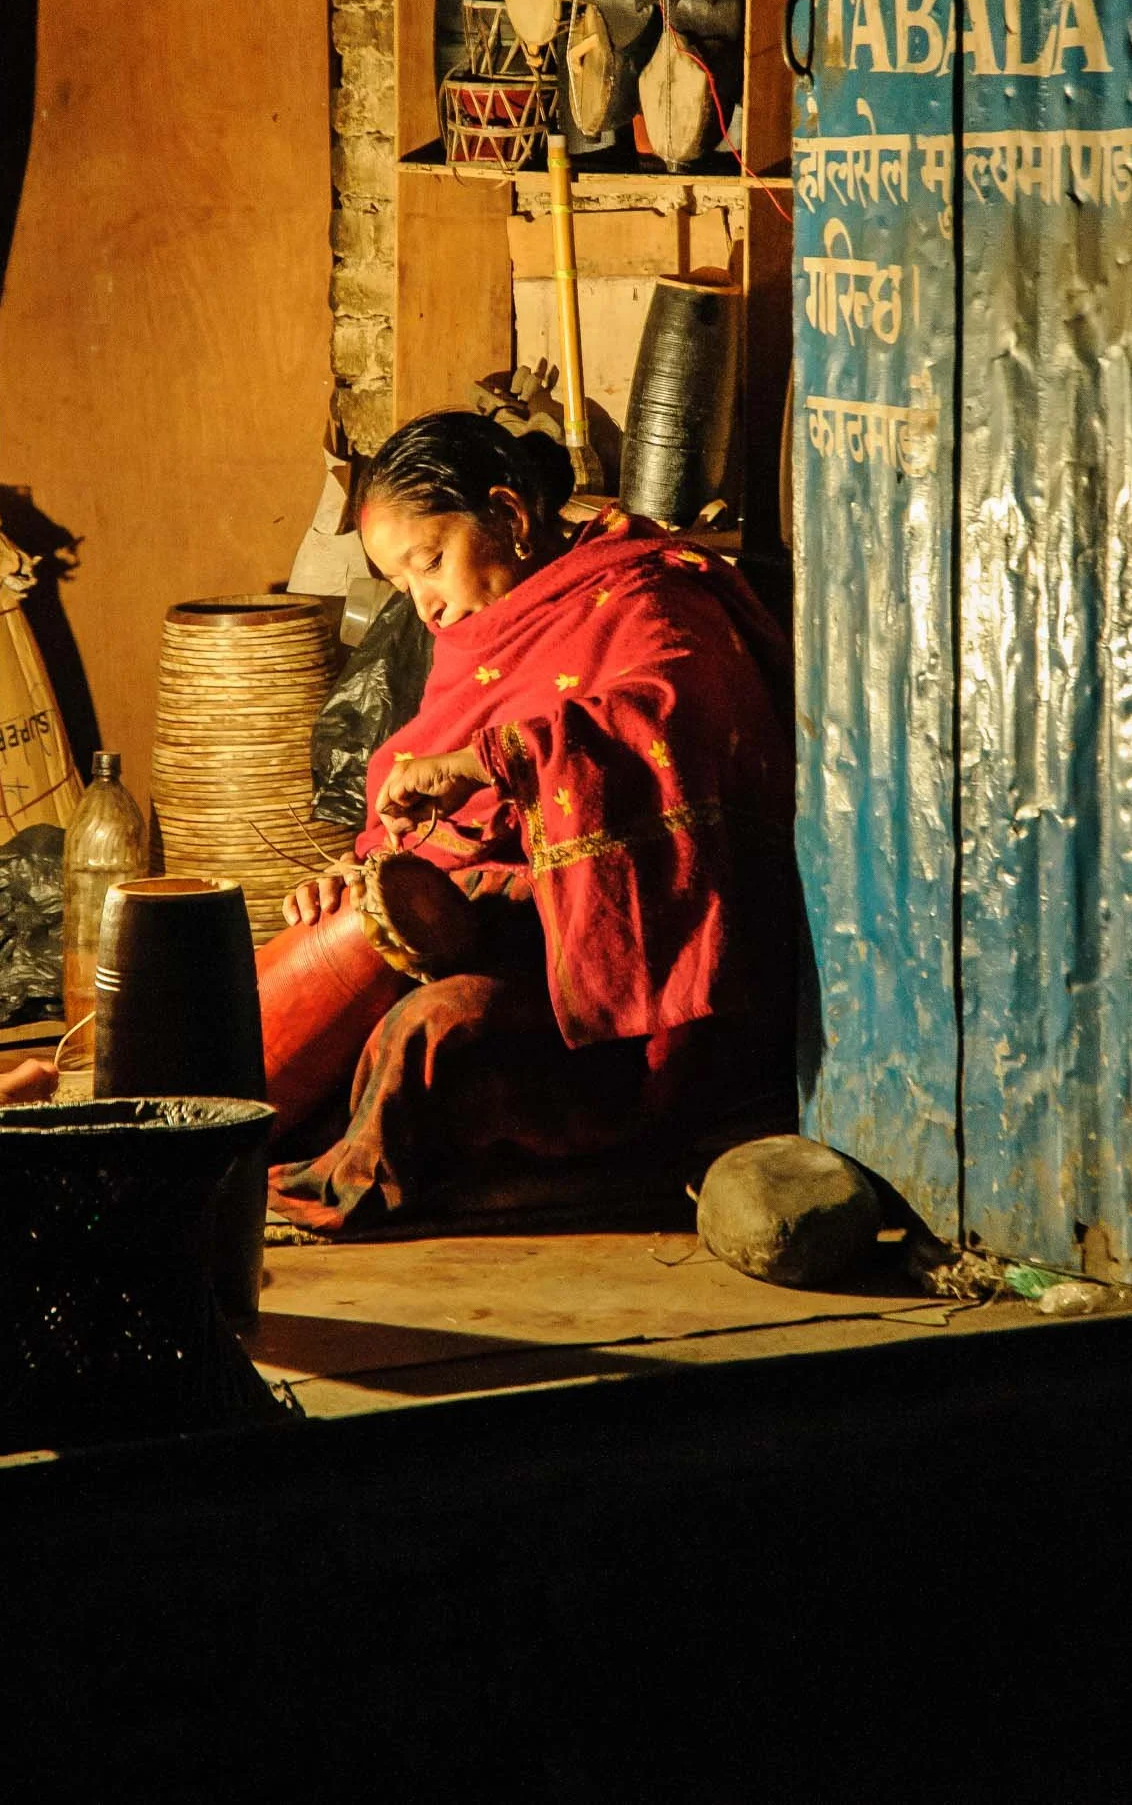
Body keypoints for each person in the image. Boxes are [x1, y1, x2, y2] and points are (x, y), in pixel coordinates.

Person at [264, 411, 800, 1235]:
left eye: (430, 563)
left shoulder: (647, 598)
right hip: (494, 926)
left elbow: (661, 720)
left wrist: (491, 761)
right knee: (313, 969)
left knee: (433, 1038)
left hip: (620, 969)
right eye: (402, 584)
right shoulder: (485, 630)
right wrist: (369, 870)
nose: (426, 605)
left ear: (509, 516)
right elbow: (434, 810)